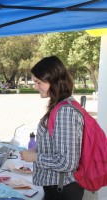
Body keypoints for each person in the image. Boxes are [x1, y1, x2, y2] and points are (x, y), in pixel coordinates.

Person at [20, 56, 84, 200]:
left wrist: (35, 157)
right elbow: (57, 145)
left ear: (53, 80)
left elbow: (67, 162)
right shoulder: (60, 106)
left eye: (38, 82)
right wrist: (37, 149)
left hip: (62, 190)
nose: (36, 87)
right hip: (58, 187)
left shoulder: (65, 111)